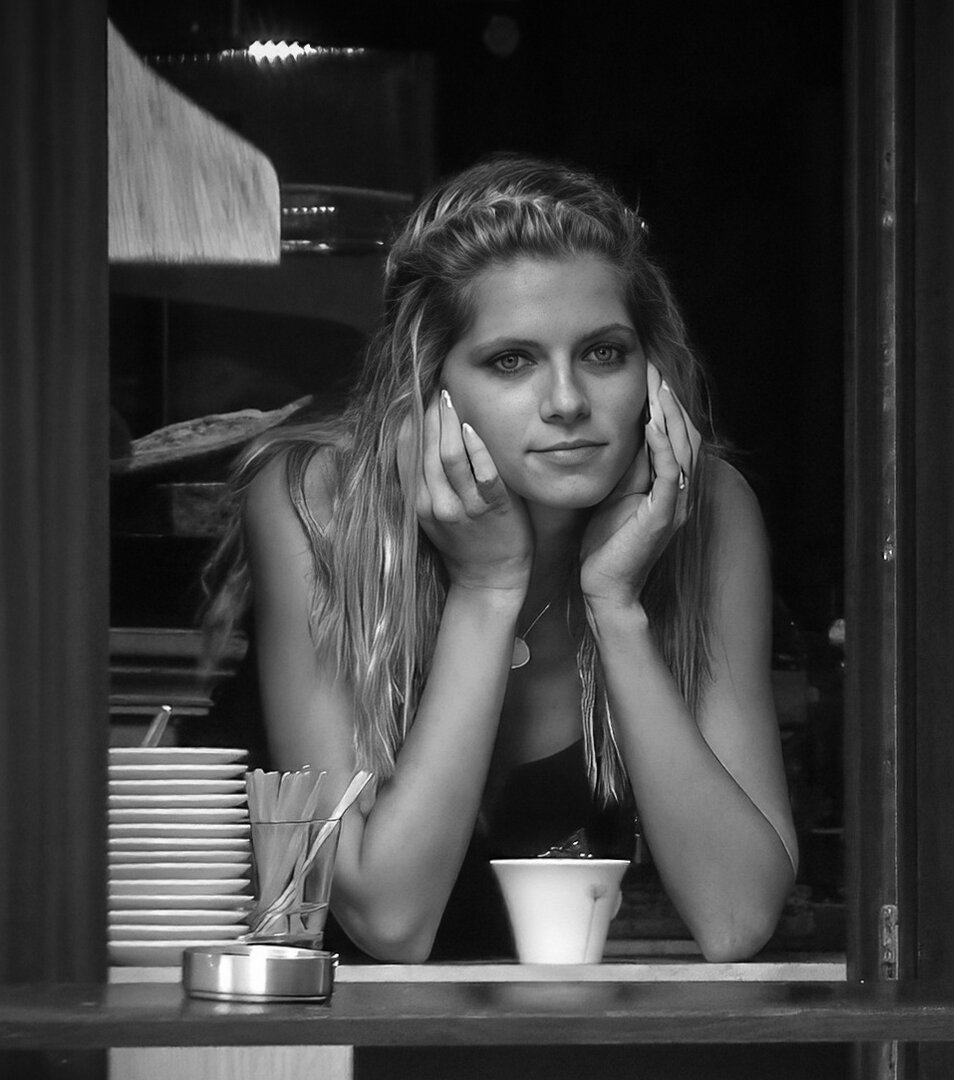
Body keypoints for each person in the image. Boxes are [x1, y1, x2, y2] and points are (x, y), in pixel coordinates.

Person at [201, 154, 798, 963]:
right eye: (511, 361)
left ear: (652, 372)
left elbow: (738, 916)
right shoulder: (319, 504)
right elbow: (387, 920)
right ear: (427, 383)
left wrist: (615, 606)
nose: (567, 402)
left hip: (556, 1019)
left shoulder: (706, 508)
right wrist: (487, 587)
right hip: (319, 1019)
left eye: (604, 353)